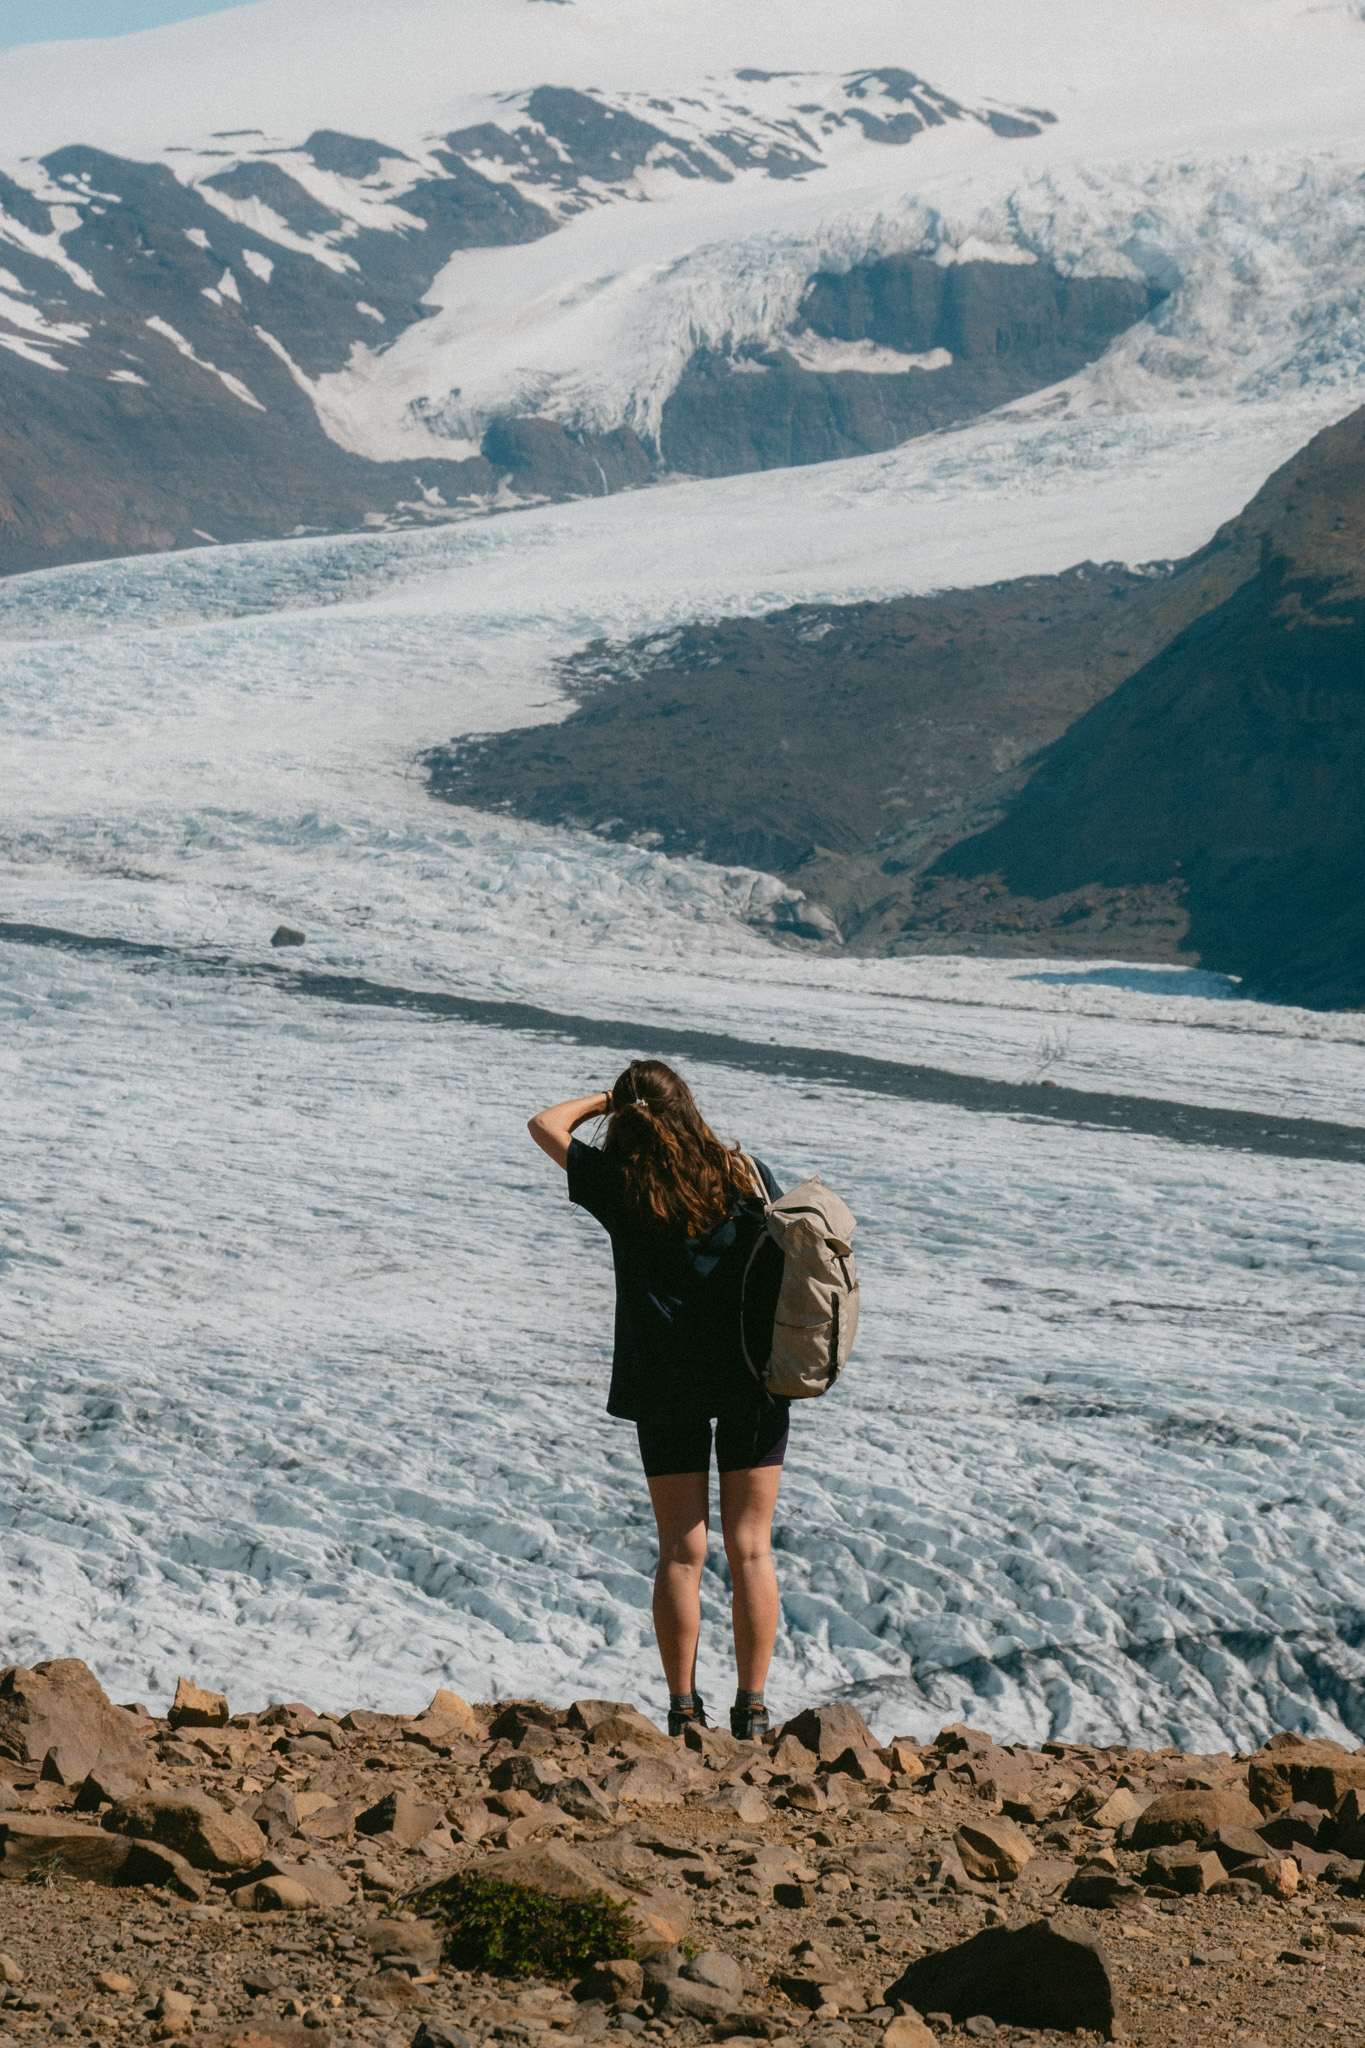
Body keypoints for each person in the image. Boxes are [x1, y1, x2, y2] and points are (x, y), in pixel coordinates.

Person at [528, 1059, 789, 1741]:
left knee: (680, 1550)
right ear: (688, 1106)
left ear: (627, 1118)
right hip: (751, 1378)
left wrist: (608, 1101)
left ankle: (682, 1709)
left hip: (663, 1379)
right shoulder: (748, 1175)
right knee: (751, 1547)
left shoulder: (621, 1184)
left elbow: (544, 1125)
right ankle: (752, 1710)